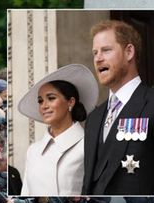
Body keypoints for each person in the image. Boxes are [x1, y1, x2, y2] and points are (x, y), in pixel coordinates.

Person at [82, 20, 154, 195]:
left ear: (129, 52)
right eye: (95, 52)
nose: (98, 58)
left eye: (106, 50)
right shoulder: (94, 118)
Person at [17, 64, 98, 196]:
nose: (44, 106)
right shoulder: (33, 150)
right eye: (40, 101)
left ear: (71, 102)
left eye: (51, 98)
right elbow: (26, 194)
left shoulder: (89, 145)